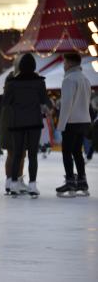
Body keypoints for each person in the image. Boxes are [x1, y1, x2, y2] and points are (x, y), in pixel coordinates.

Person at [3, 53, 51, 198]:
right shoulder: (39, 82)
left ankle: (13, 183)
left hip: (17, 122)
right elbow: (45, 101)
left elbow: (6, 102)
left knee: (17, 154)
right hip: (34, 122)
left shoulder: (12, 83)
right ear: (34, 66)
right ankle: (32, 185)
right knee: (32, 155)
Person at [55, 53, 92, 197]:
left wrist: (61, 125)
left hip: (71, 121)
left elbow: (66, 104)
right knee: (77, 152)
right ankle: (82, 182)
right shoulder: (85, 79)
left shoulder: (69, 79)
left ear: (70, 63)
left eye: (64, 63)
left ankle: (70, 181)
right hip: (84, 120)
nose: (64, 65)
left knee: (67, 152)